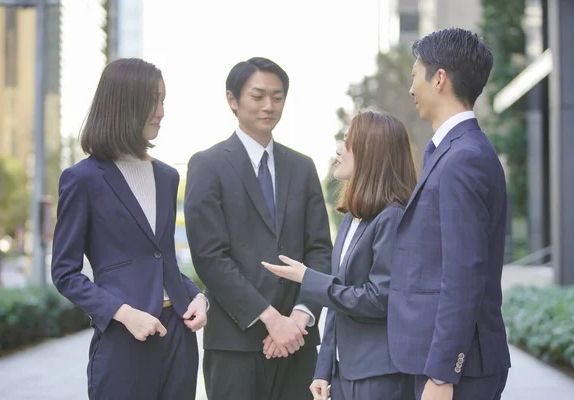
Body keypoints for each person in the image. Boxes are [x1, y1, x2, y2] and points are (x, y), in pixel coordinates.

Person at [51, 58, 207, 400]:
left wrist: (196, 296)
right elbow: (65, 273)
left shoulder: (167, 176)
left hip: (178, 337)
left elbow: (162, 258)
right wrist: (123, 314)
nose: (162, 111)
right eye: (153, 99)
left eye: (163, 99)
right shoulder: (83, 179)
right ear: (124, 103)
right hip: (124, 338)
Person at [184, 56, 333, 400]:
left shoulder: (303, 166)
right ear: (232, 100)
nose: (269, 106)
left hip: (299, 342)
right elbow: (209, 257)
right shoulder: (207, 165)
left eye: (278, 97)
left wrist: (298, 318)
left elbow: (320, 250)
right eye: (258, 96)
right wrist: (270, 319)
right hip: (235, 344)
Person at [387, 28, 511, 399]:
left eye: (414, 76)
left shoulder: (463, 158)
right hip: (444, 363)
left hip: (458, 370)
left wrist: (443, 375)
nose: (411, 89)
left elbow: (463, 275)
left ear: (439, 78)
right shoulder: (452, 151)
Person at [263, 111, 417, 400]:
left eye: (348, 142)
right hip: (344, 372)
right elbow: (337, 304)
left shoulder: (392, 218)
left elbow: (378, 298)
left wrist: (309, 279)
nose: (338, 149)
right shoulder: (351, 218)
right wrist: (324, 370)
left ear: (371, 152)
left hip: (378, 377)